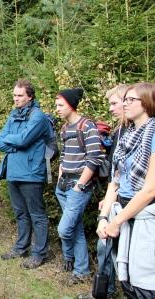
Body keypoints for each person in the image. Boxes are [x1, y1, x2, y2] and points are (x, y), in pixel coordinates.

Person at [97, 82, 155, 298]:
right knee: (127, 279)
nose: (125, 103)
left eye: (131, 100)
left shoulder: (153, 134)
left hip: (146, 216)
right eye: (125, 99)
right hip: (123, 210)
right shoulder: (128, 135)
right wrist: (104, 218)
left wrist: (116, 221)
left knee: (146, 284)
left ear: (147, 102)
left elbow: (150, 190)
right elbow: (115, 180)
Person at [0, 79, 50, 269]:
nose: (16, 98)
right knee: (20, 213)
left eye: (19, 95)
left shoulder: (38, 117)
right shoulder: (13, 115)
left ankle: (39, 254)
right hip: (13, 172)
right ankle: (21, 248)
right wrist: (15, 142)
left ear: (30, 96)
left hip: (32, 173)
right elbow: (0, 141)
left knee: (37, 215)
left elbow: (24, 140)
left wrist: (14, 141)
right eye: (14, 95)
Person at [55, 88, 105, 284]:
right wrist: (60, 176)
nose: (57, 109)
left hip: (79, 185)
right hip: (63, 184)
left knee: (64, 229)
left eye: (60, 105)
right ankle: (81, 270)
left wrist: (80, 185)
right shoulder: (64, 129)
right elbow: (63, 155)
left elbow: (95, 158)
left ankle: (70, 258)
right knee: (75, 228)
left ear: (71, 105)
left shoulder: (87, 126)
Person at [94, 84, 128, 298]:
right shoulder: (118, 132)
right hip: (114, 201)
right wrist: (108, 202)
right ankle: (104, 292)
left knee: (123, 257)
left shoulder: (141, 134)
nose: (111, 108)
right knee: (104, 248)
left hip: (130, 206)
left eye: (114, 103)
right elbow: (115, 175)